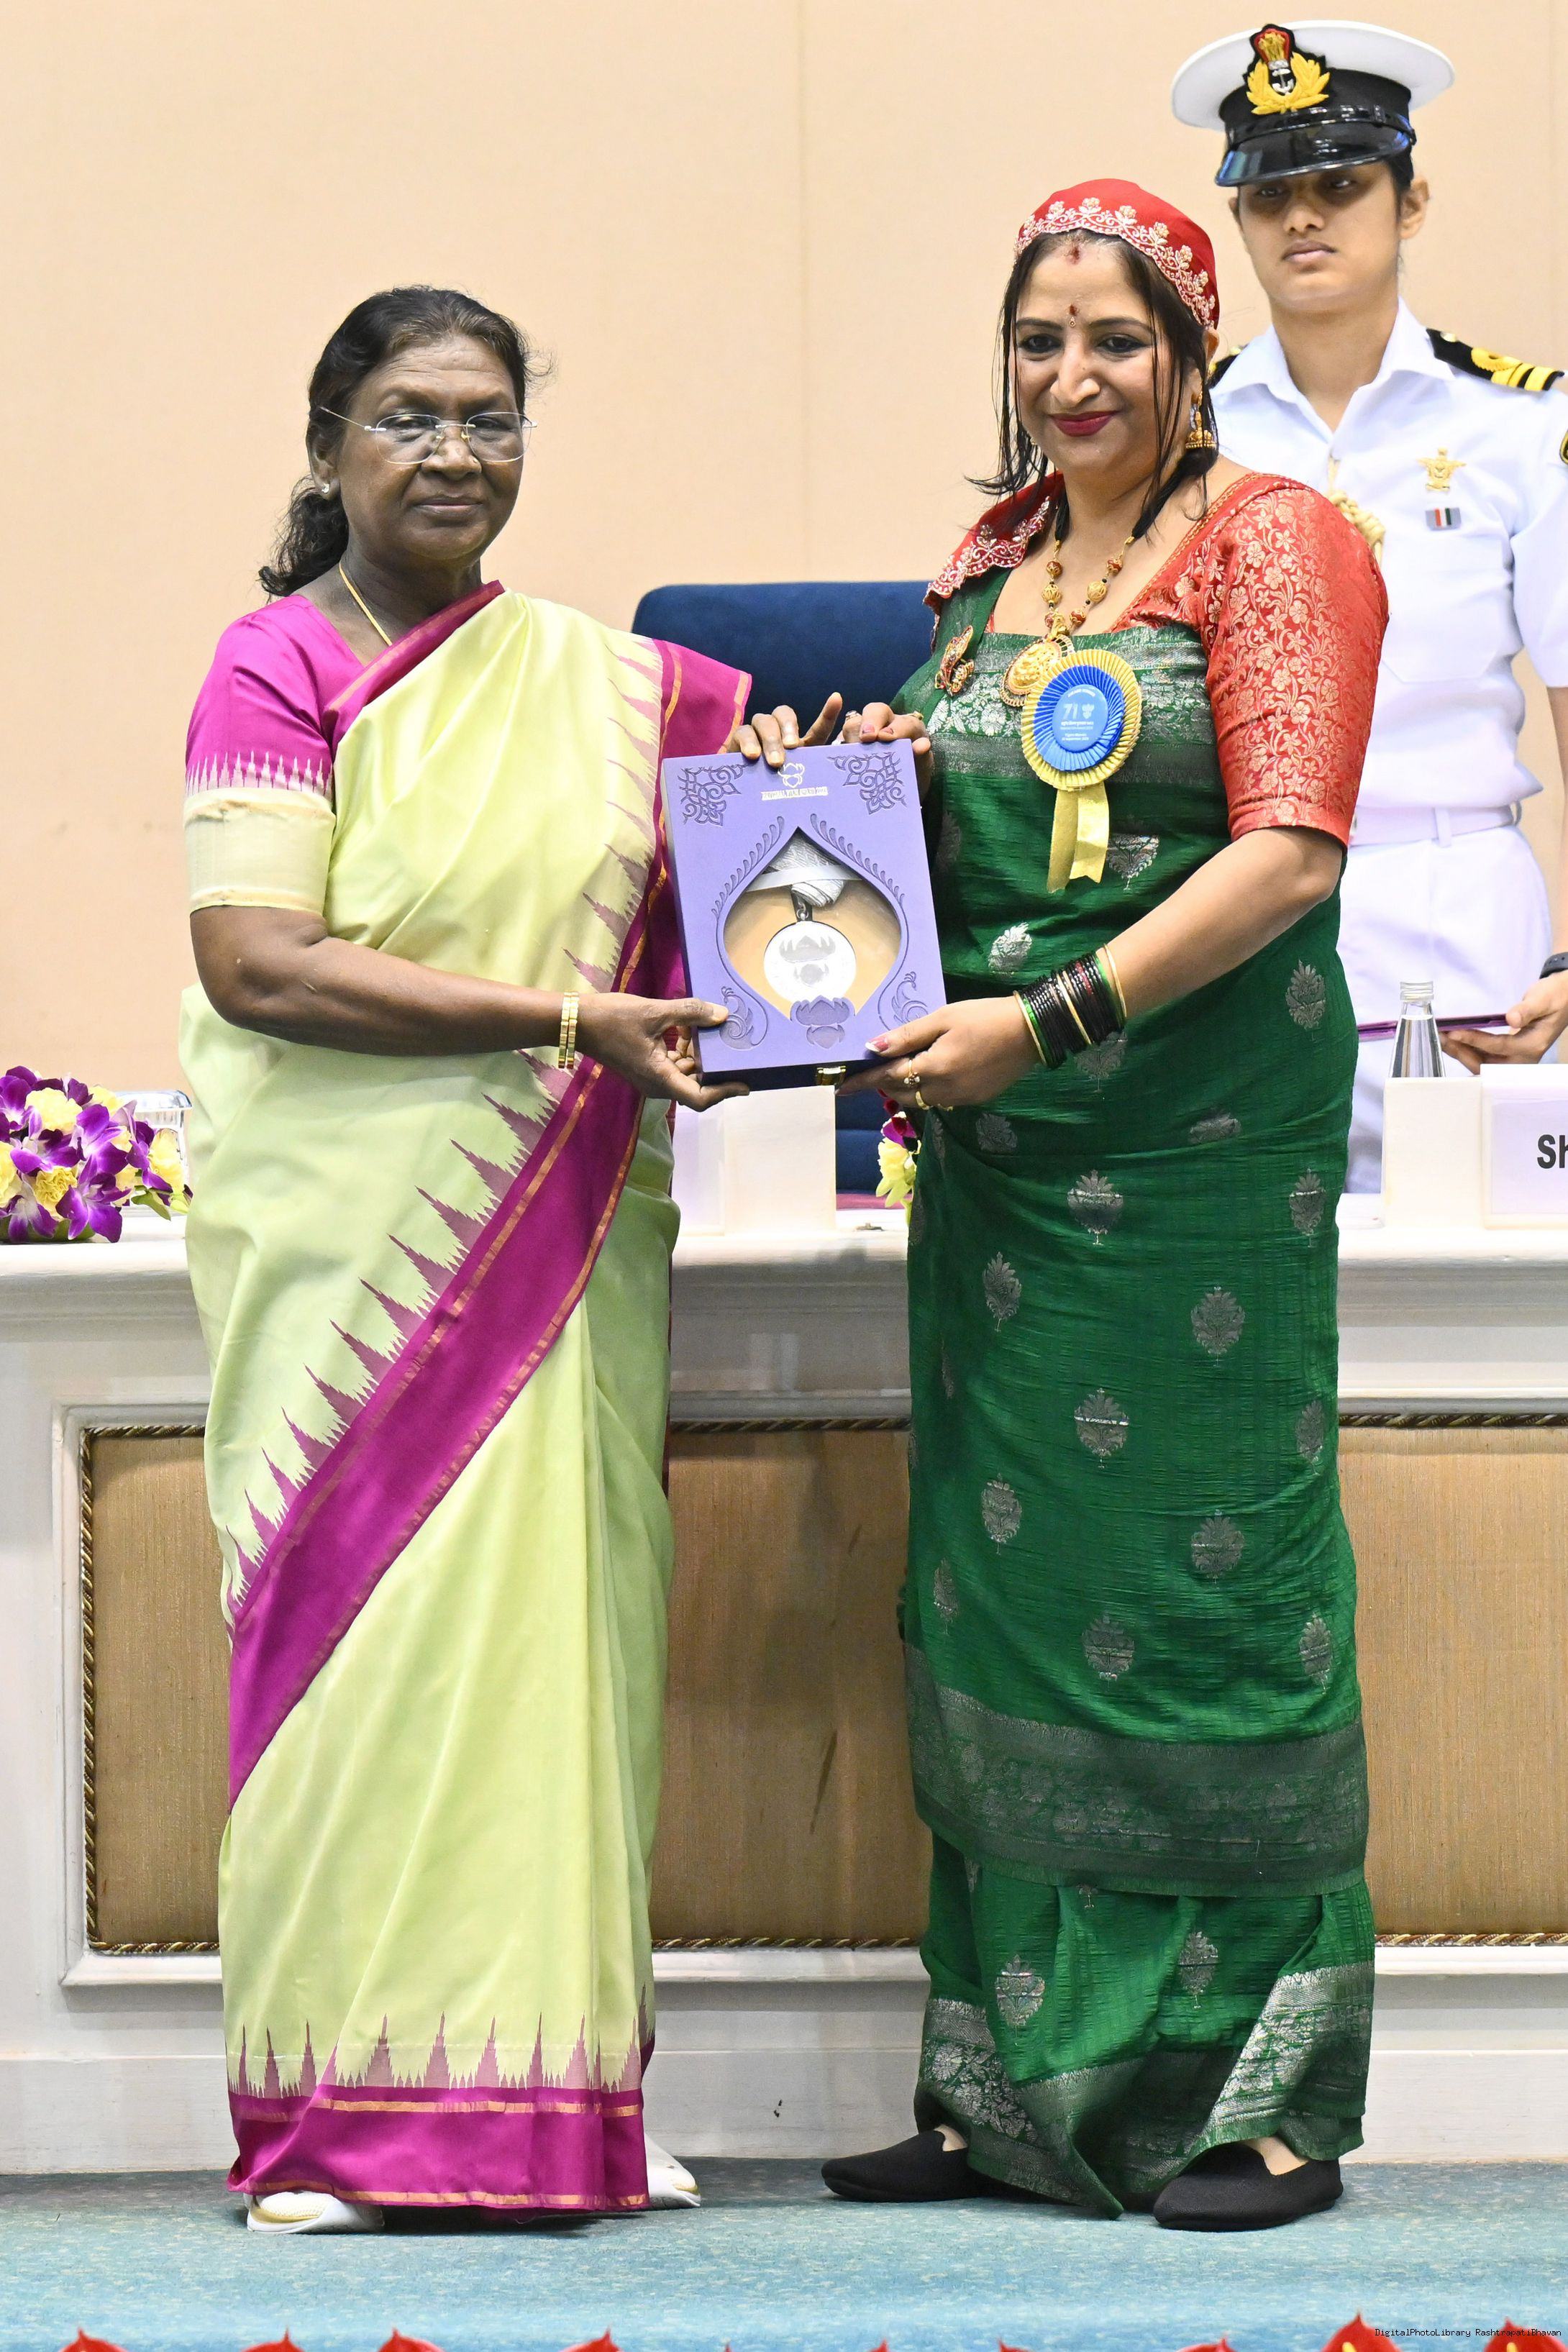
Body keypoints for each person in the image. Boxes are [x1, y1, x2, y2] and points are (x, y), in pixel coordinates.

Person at [734, 180, 1385, 2229]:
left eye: (1115, 338)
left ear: (1191, 353)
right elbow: (971, 843)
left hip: (1198, 1160)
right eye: (1039, 340)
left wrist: (1056, 1017)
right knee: (998, 1590)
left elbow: (1288, 850)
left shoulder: (1275, 541)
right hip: (1002, 1172)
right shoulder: (989, 569)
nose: (1072, 376)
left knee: (1211, 1595)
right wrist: (857, 786)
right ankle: (1002, 2089)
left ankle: (1262, 2099)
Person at [181, 286, 747, 2232]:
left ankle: (563, 2099)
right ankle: (336, 2126)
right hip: (351, 1261)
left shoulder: (613, 694)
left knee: (557, 1663)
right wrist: (563, 1019)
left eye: (490, 418)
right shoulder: (272, 666)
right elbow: (259, 963)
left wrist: (806, 802)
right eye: (410, 416)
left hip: (560, 1249)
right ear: (329, 440)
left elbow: (735, 914)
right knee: (369, 1672)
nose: (454, 453)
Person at [1172, 21, 1568, 1185]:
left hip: (1465, 926)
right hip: (1237, 931)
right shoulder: (1188, 441)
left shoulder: (1519, 428)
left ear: (1412, 202)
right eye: (1270, 194)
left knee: (1485, 1277)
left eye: (1341, 185)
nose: (1304, 217)